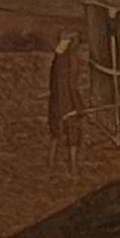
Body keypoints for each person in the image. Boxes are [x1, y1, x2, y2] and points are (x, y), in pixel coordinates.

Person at [46, 29, 84, 159]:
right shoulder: (70, 60)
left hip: (56, 100)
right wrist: (78, 106)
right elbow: (71, 86)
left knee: (56, 131)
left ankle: (52, 161)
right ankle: (71, 165)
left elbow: (54, 83)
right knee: (72, 131)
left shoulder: (58, 57)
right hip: (66, 102)